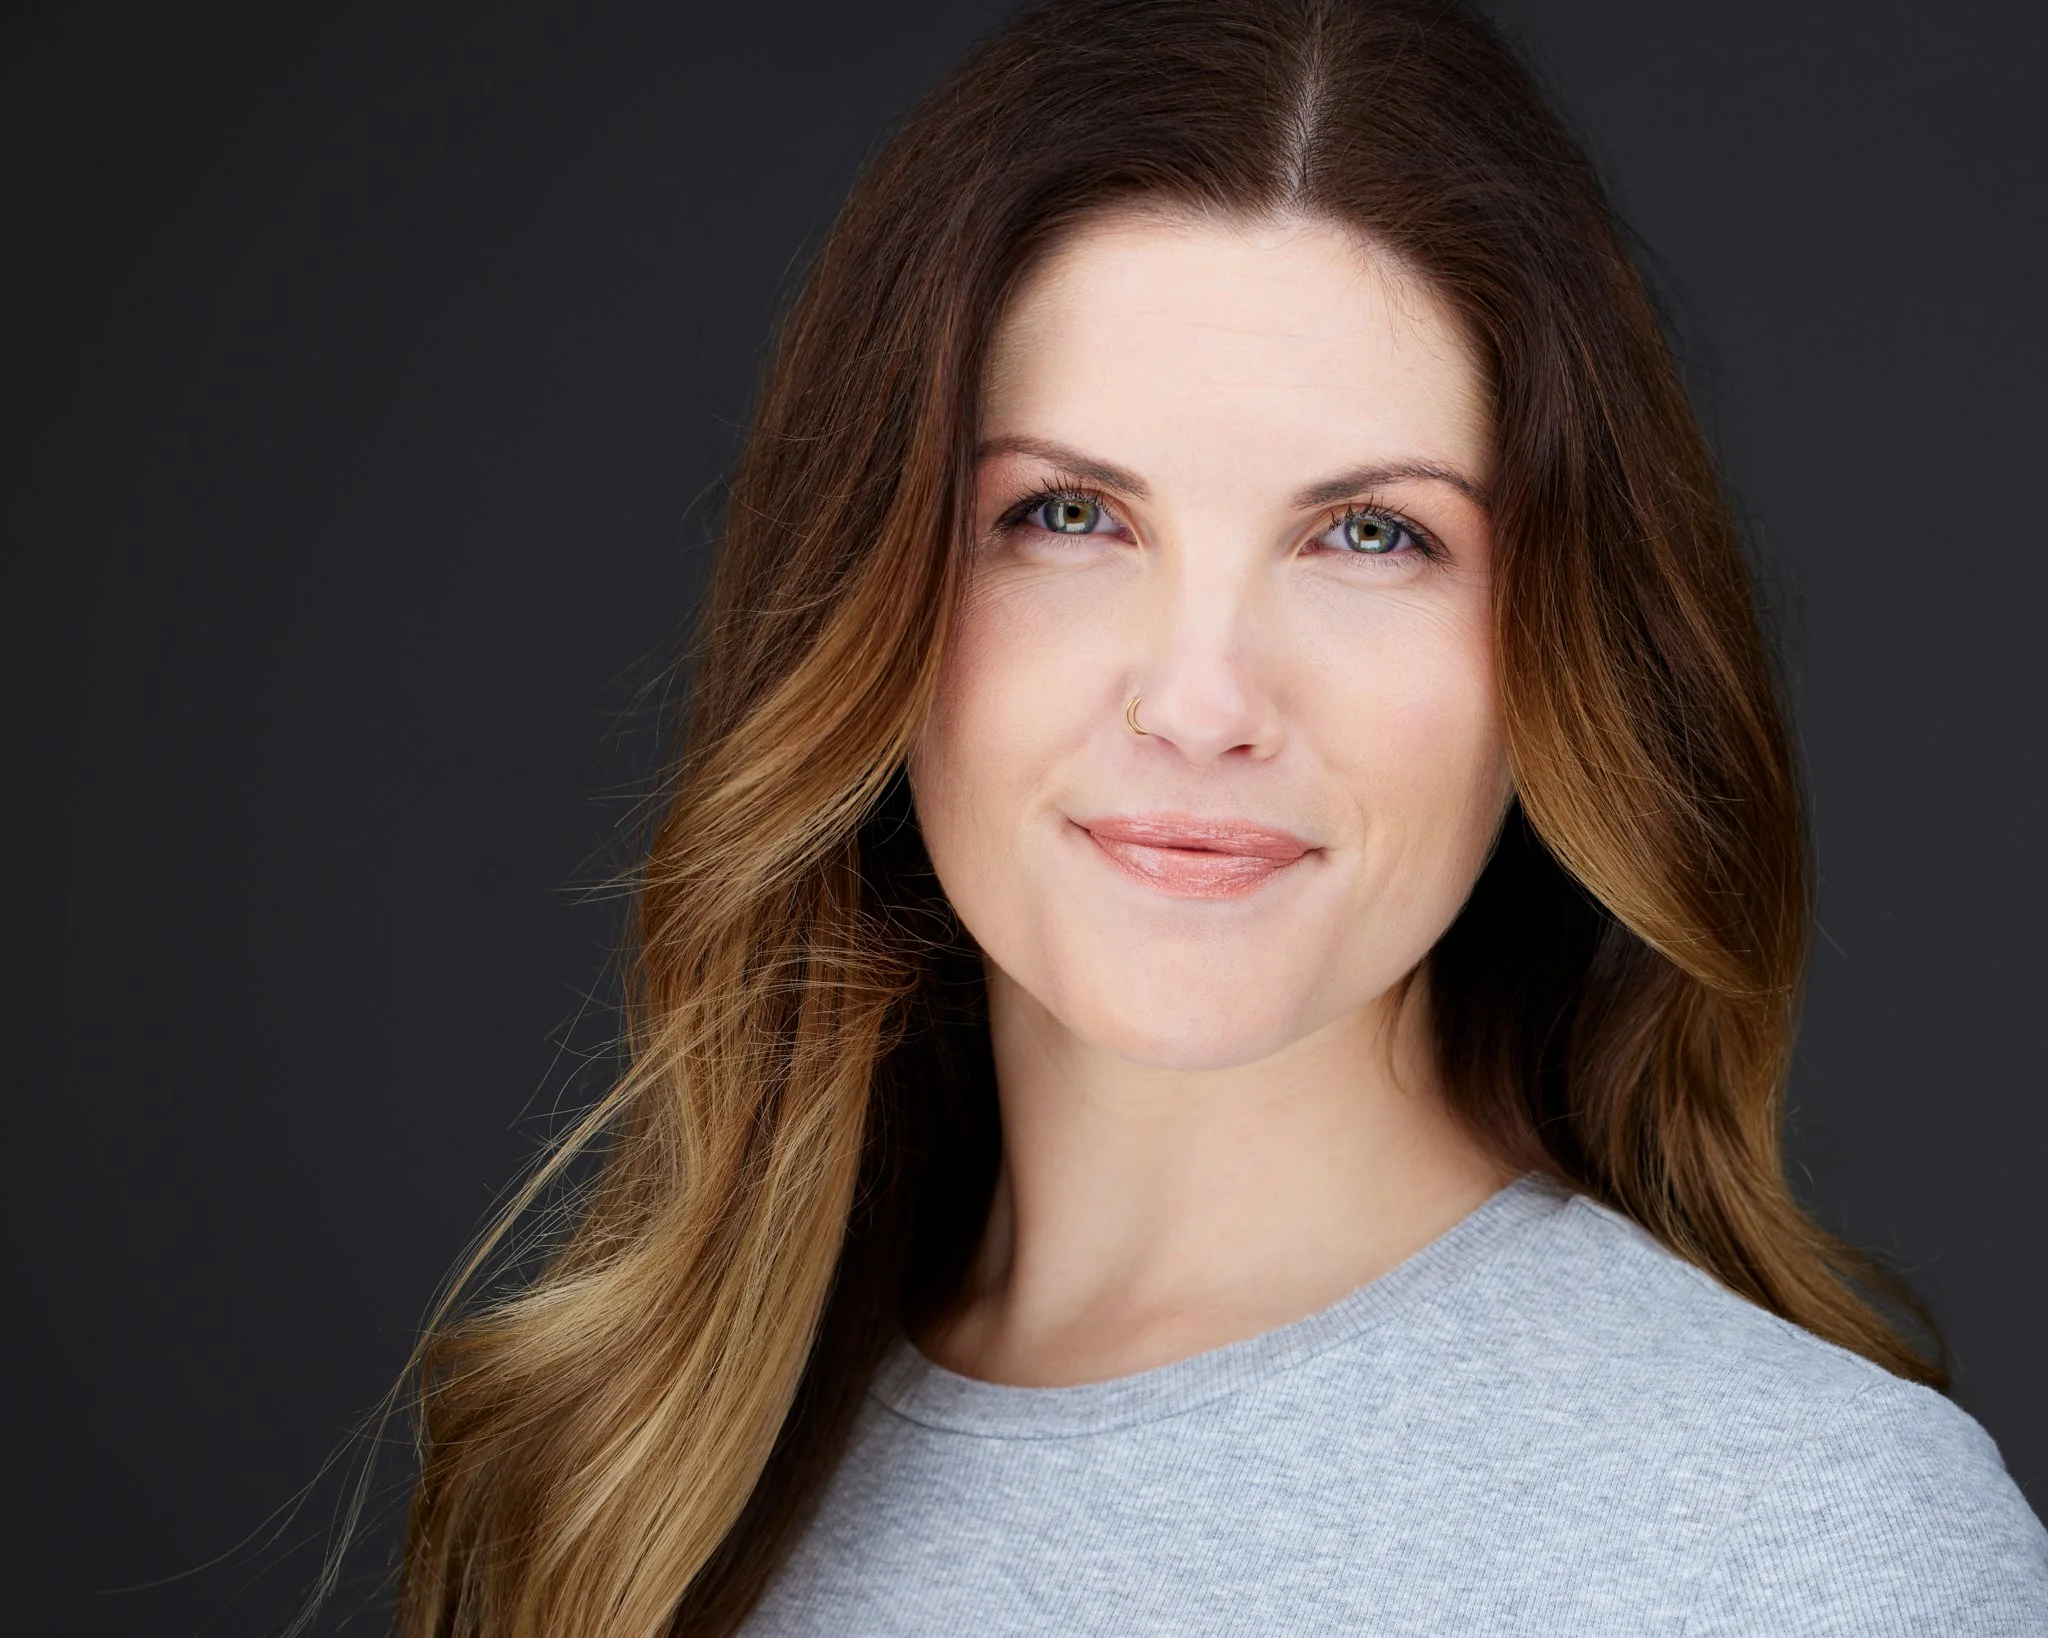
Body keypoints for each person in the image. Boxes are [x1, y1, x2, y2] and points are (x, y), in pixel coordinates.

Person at [391, 2, 2048, 1633]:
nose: (1202, 698)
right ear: (868, 589)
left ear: (1562, 649)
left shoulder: (1814, 1544)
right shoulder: (613, 1478)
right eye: (1066, 513)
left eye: (1371, 537)